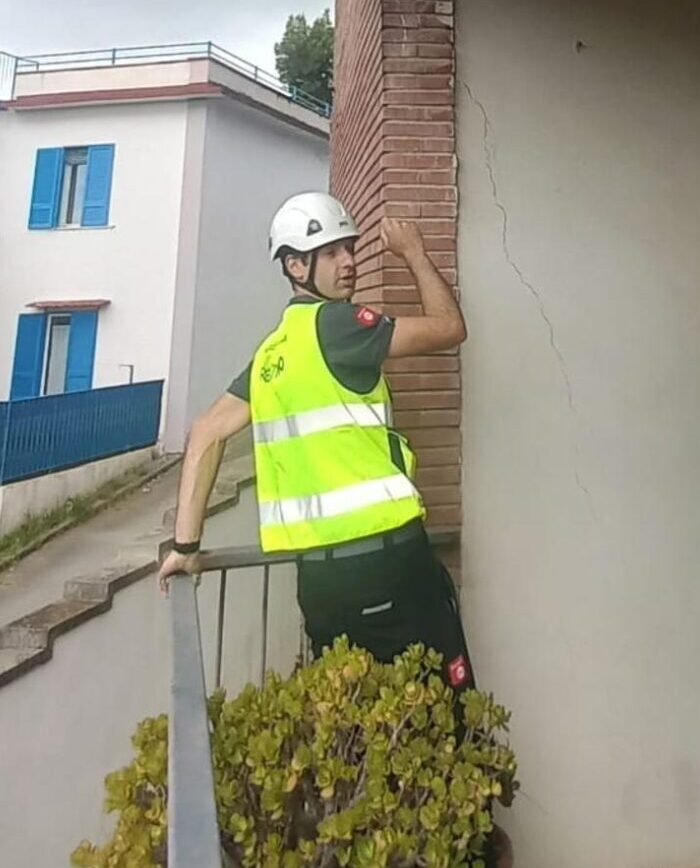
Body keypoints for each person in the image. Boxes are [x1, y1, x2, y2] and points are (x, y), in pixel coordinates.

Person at [158, 191, 474, 688]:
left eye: (348, 248)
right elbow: (449, 328)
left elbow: (205, 432)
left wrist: (186, 546)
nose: (349, 262)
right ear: (295, 267)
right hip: (386, 563)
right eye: (331, 253)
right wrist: (413, 251)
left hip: (321, 585)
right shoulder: (342, 324)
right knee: (441, 710)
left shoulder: (272, 354)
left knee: (356, 726)